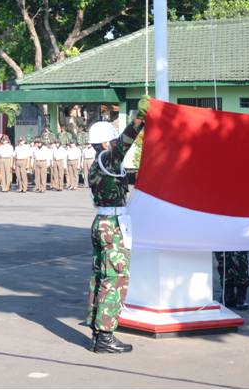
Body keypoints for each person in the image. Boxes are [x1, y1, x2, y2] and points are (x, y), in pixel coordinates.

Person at [85, 98, 147, 354]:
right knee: (115, 278)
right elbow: (125, 141)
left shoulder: (100, 165)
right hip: (111, 226)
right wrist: (140, 119)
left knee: (101, 278)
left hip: (103, 222)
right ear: (104, 143)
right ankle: (106, 335)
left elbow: (128, 176)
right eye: (111, 141)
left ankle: (99, 331)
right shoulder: (108, 158)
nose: (114, 145)